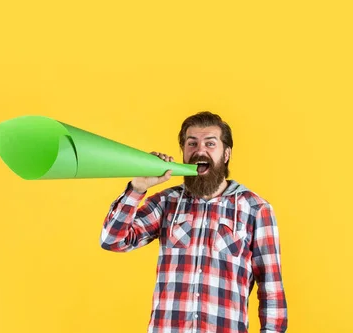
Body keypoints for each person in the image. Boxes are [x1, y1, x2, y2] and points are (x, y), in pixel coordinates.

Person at [99, 111, 287, 333]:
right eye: (192, 143)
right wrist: (138, 187)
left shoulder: (256, 209)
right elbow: (112, 240)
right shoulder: (166, 201)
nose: (200, 151)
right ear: (183, 152)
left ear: (226, 154)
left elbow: (271, 289)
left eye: (210, 144)